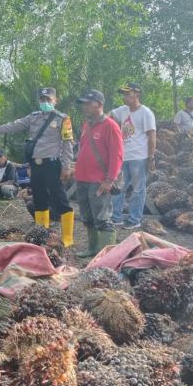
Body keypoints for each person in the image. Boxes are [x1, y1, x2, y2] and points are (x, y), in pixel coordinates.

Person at [0, 86, 75, 247]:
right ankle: (41, 235)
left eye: (48, 99)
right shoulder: (33, 117)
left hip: (52, 165)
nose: (45, 102)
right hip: (36, 166)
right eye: (42, 100)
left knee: (60, 200)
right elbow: (13, 126)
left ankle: (67, 239)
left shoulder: (63, 119)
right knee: (40, 199)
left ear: (55, 100)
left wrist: (66, 166)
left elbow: (67, 145)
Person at [74, 89, 124, 258]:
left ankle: (108, 256)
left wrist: (110, 180)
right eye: (84, 104)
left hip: (99, 180)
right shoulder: (86, 125)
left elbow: (117, 155)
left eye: (89, 103)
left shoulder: (111, 126)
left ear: (100, 104)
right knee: (87, 217)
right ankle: (93, 249)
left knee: (102, 218)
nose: (85, 107)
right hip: (82, 178)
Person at [111, 83, 156, 230]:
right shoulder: (123, 110)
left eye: (127, 94)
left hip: (139, 157)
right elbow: (108, 115)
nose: (124, 98)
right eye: (123, 94)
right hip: (123, 156)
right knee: (119, 187)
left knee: (138, 189)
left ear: (137, 94)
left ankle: (134, 219)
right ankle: (115, 217)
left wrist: (151, 157)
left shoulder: (146, 113)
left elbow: (152, 135)